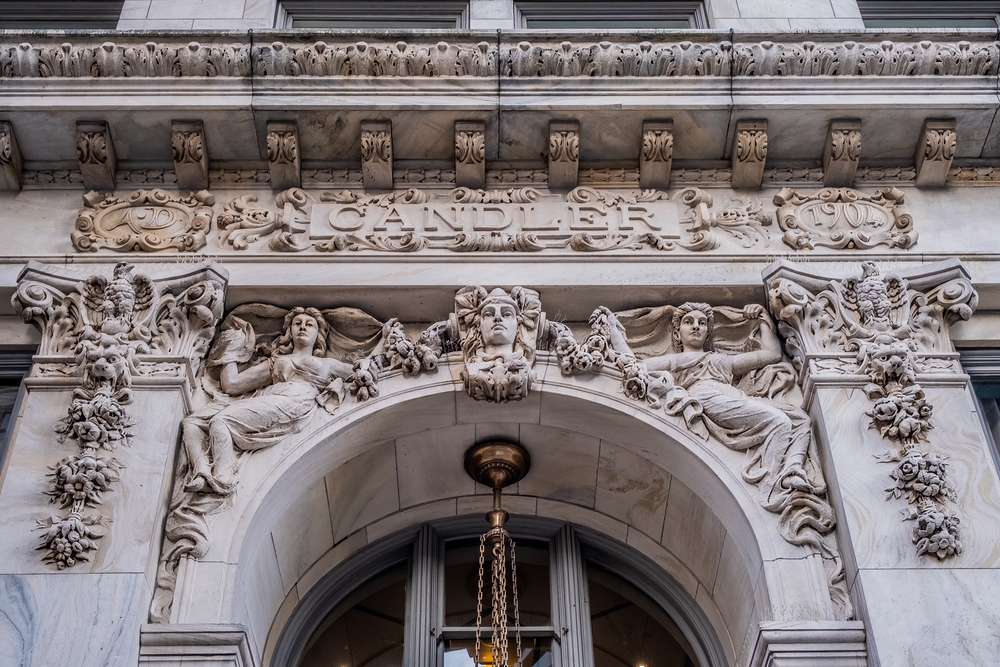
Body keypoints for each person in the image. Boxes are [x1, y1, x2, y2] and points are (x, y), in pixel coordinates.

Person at [603, 302, 823, 513]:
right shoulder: (677, 360)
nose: (696, 326)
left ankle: (793, 468)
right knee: (779, 421)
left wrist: (764, 319)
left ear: (708, 332)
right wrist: (613, 331)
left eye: (701, 322)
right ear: (678, 334)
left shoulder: (722, 360)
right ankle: (773, 484)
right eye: (688, 322)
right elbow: (633, 366)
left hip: (731, 395)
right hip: (706, 395)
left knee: (800, 419)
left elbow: (771, 355)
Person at [181, 307, 353, 495]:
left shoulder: (328, 364)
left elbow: (360, 373)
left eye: (309, 324)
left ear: (319, 334)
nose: (302, 327)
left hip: (297, 399)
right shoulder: (276, 361)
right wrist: (229, 350)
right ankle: (202, 472)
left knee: (221, 421)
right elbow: (232, 385)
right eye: (297, 323)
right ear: (289, 331)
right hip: (273, 397)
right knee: (192, 422)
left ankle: (222, 479)